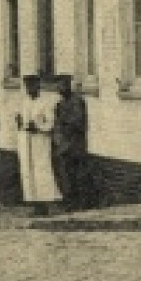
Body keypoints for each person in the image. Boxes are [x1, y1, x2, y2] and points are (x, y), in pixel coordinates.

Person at [15, 75, 63, 216]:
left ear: (38, 86)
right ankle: (35, 204)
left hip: (40, 141)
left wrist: (38, 127)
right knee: (28, 172)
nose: (30, 89)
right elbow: (21, 120)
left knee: (41, 171)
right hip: (26, 140)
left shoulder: (45, 103)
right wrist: (20, 122)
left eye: (33, 86)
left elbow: (50, 123)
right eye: (28, 86)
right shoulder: (24, 102)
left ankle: (44, 205)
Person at [53, 75, 92, 211]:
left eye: (62, 85)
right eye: (58, 86)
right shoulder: (59, 104)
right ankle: (70, 202)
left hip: (76, 144)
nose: (59, 89)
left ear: (68, 85)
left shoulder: (77, 102)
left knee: (79, 174)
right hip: (64, 145)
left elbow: (79, 122)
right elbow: (57, 124)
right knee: (67, 175)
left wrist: (65, 125)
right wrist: (58, 139)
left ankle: (82, 203)